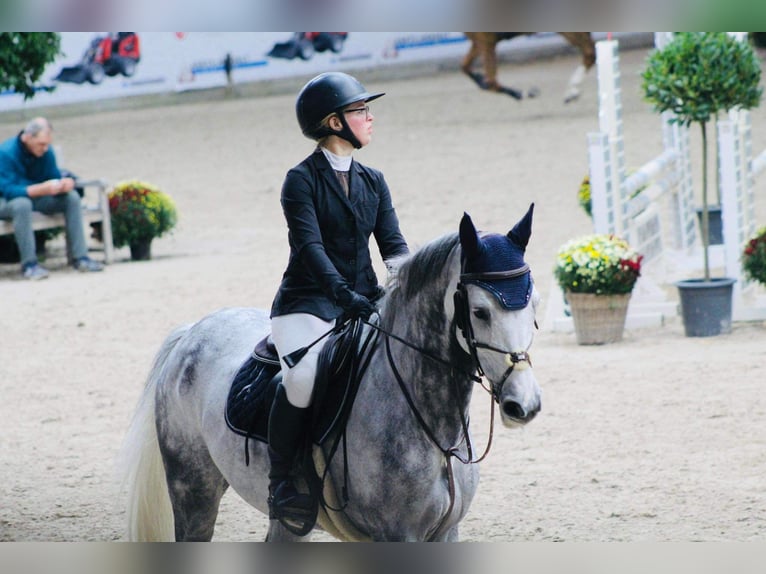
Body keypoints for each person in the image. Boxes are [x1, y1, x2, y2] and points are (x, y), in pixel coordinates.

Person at [267, 72, 409, 529]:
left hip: (363, 299)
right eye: (360, 111)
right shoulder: (300, 180)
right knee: (304, 379)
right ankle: (282, 481)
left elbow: (393, 246)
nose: (371, 117)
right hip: (307, 301)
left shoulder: (374, 179)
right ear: (333, 122)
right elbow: (309, 249)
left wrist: (406, 287)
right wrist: (343, 295)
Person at [0, 117, 103, 279]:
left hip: (37, 197)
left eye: (48, 144)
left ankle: (80, 257)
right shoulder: (6, 153)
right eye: (41, 144)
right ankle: (29, 264)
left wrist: (65, 184)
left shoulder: (46, 153)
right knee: (22, 204)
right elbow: (8, 190)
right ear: (27, 137)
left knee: (71, 198)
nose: (45, 148)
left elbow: (53, 177)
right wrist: (41, 189)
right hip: (6, 201)